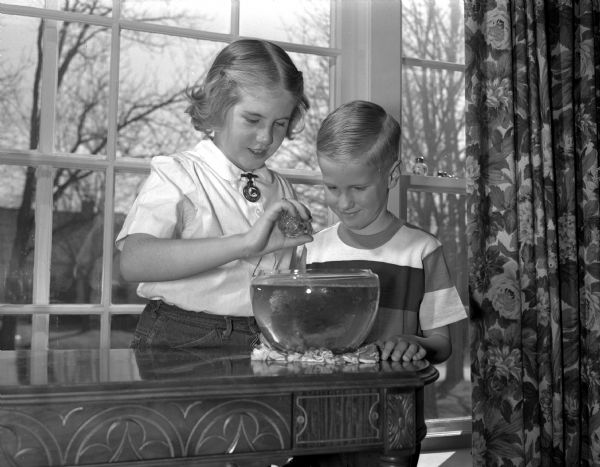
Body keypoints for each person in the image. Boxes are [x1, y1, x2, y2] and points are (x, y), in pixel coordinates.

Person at [287, 100, 467, 467]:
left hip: (391, 425)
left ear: (391, 176)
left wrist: (412, 343)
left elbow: (442, 344)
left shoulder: (422, 251)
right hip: (317, 422)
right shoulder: (312, 250)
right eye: (332, 187)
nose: (344, 202)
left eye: (357, 187)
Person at [116, 39, 313, 351]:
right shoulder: (178, 174)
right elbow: (133, 262)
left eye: (280, 123)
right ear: (219, 108)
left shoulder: (281, 188)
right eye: (252, 119)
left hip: (266, 335)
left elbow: (287, 272)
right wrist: (245, 243)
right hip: (181, 335)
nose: (266, 138)